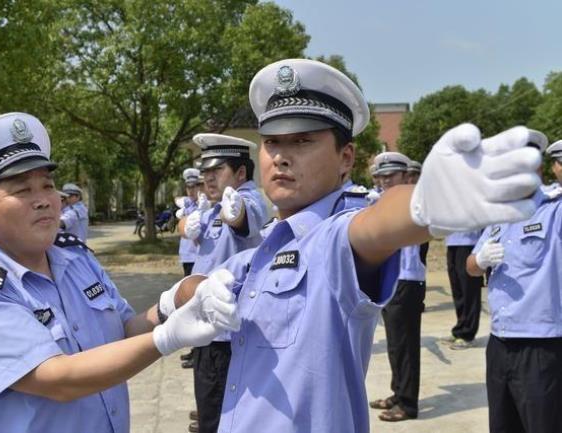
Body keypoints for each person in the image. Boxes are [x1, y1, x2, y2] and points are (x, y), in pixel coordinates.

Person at [156, 58, 544, 433]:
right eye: (271, 141)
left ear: (346, 158)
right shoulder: (270, 244)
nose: (281, 157)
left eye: (303, 140)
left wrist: (422, 206)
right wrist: (172, 300)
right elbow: (218, 279)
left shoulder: (332, 235)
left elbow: (372, 225)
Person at [0, 112, 240, 433]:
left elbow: (123, 329)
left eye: (47, 185)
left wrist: (174, 300)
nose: (43, 200)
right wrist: (167, 338)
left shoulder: (74, 258)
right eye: (22, 190)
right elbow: (59, 379)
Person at [465, 134, 560, 433]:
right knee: (503, 426)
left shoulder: (554, 209)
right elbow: (469, 266)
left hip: (540, 346)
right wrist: (479, 261)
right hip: (499, 342)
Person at [177, 133, 268, 433]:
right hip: (206, 326)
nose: (208, 179)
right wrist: (185, 223)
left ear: (241, 173)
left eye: (216, 172)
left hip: (223, 334)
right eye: (205, 173)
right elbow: (191, 228)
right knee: (210, 405)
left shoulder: (245, 199)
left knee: (217, 414)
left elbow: (245, 216)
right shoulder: (214, 206)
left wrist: (236, 212)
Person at [368, 151, 429, 422]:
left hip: (407, 280)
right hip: (389, 281)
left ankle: (408, 403)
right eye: (381, 177)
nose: (384, 182)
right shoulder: (380, 200)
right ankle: (398, 392)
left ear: (405, 176)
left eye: (390, 176)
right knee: (394, 344)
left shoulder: (415, 201)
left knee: (405, 345)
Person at [443, 229, 484, 349]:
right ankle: (460, 328)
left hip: (469, 242)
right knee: (457, 288)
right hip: (451, 241)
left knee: (469, 289)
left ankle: (468, 334)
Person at [175, 168, 207, 275]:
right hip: (187, 254)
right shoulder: (186, 204)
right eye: (188, 187)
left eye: (193, 186)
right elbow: (176, 199)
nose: (190, 190)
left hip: (200, 254)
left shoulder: (204, 205)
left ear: (199, 187)